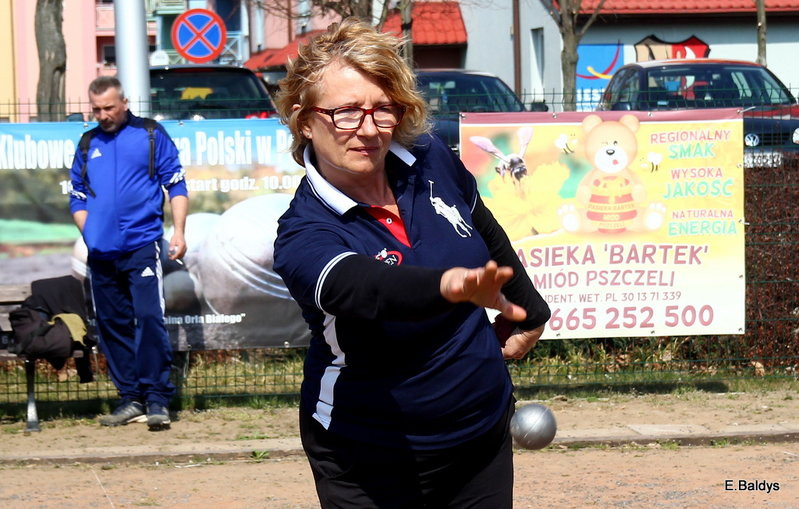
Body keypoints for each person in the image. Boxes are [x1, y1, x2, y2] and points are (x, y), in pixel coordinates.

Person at [272, 18, 551, 508]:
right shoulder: (304, 231)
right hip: (370, 454)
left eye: (383, 109)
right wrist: (446, 287)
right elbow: (361, 288)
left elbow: (480, 224)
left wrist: (528, 309)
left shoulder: (428, 157)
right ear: (304, 120)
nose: (369, 130)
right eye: (346, 113)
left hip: (481, 432)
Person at [69, 76, 188, 431]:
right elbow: (77, 195)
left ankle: (156, 399)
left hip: (142, 245)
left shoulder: (150, 134)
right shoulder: (88, 143)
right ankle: (131, 398)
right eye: (96, 109)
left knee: (149, 319)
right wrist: (90, 232)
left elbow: (176, 184)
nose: (103, 115)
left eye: (109, 107)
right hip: (102, 254)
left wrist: (179, 231)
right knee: (112, 324)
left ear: (124, 102)